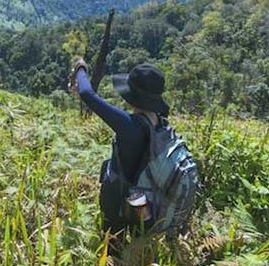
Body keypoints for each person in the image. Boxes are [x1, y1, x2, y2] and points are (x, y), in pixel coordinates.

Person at [69, 58, 196, 248]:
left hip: (118, 204)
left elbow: (87, 93)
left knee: (113, 250)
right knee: (137, 252)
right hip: (144, 206)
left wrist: (80, 68)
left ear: (133, 96)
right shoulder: (160, 124)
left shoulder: (129, 126)